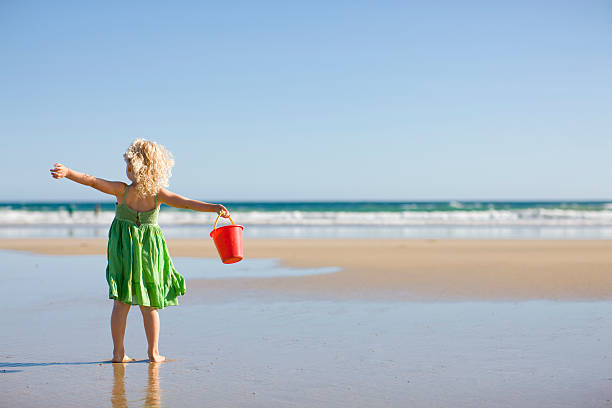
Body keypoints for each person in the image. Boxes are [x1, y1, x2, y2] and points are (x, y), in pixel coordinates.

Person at [50, 139, 229, 363]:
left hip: (123, 249)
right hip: (148, 251)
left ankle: (118, 353)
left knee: (121, 301)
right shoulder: (158, 194)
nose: (126, 170)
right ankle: (153, 353)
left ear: (140, 168)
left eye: (129, 165)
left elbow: (92, 181)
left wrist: (68, 172)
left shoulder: (121, 191)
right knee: (149, 302)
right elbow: (186, 203)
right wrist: (213, 207)